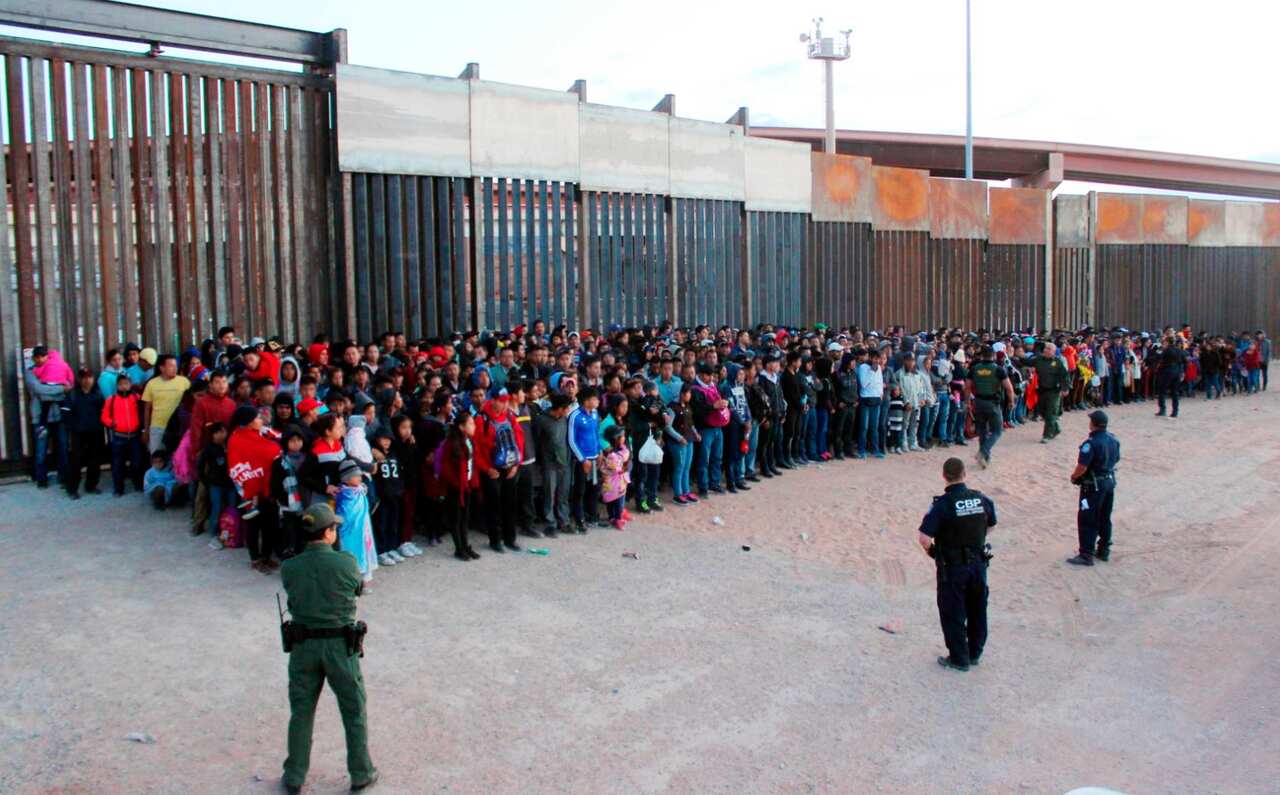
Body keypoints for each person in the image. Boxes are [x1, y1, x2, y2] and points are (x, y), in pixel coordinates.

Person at [279, 502, 379, 794]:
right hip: (339, 646)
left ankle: (295, 775)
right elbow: (355, 589)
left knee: (301, 711)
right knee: (353, 710)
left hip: (303, 646)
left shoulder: (290, 567)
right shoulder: (346, 562)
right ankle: (361, 772)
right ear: (328, 533)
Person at [917, 457, 998, 672]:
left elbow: (924, 537)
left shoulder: (942, 505)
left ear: (944, 476)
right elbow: (992, 524)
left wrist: (934, 553)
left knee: (953, 611)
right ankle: (974, 653)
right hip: (978, 563)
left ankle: (959, 658)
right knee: (977, 608)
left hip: (953, 567)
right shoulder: (981, 499)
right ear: (965, 474)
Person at [1067, 410, 1121, 567]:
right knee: (1105, 516)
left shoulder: (1090, 443)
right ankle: (1104, 549)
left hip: (1094, 485)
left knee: (1087, 518)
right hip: (1109, 481)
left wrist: (1074, 477)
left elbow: (1082, 466)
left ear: (1094, 424)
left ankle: (1086, 554)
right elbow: (1116, 458)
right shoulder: (1113, 439)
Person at [25, 345, 70, 488]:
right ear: (33, 358)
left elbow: (68, 386)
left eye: (42, 356)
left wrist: (54, 389)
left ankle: (63, 477)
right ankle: (41, 479)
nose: (40, 359)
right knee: (40, 451)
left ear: (47, 357)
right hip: (40, 418)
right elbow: (39, 389)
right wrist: (60, 388)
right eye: (37, 357)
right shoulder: (30, 372)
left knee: (63, 448)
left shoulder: (57, 368)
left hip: (58, 417)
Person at [966, 346, 1014, 469]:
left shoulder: (974, 369)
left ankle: (985, 459)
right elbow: (1008, 388)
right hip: (992, 402)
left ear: (981, 356)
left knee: (982, 430)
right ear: (993, 356)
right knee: (997, 431)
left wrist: (967, 402)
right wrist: (1011, 401)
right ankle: (983, 451)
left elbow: (967, 387)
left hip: (979, 401)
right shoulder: (998, 369)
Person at [63, 367, 105, 499]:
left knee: (95, 461)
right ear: (80, 379)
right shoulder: (73, 395)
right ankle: (72, 489)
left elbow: (104, 412)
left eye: (90, 377)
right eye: (84, 377)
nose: (88, 380)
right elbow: (66, 412)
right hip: (78, 433)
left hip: (95, 432)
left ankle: (91, 485)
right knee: (76, 461)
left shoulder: (98, 394)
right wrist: (73, 427)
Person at [101, 372, 145, 495]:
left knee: (137, 462)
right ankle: (118, 488)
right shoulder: (111, 399)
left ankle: (138, 483)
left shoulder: (137, 397)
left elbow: (142, 412)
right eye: (120, 384)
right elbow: (104, 416)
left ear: (130, 384)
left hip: (135, 436)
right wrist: (111, 423)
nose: (123, 386)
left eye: (126, 383)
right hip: (118, 437)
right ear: (117, 385)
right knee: (117, 464)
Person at [141, 354, 190, 454]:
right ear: (162, 368)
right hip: (158, 428)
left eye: (176, 366)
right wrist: (146, 430)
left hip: (178, 428)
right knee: (157, 457)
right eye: (171, 366)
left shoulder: (184, 382)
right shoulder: (151, 384)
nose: (174, 368)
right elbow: (147, 409)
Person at [1032, 342, 1068, 442]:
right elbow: (1027, 362)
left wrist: (1065, 388)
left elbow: (1065, 376)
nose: (1045, 350)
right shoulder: (1039, 360)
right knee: (1041, 410)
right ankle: (1055, 428)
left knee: (1050, 413)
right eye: (1045, 348)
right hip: (1042, 390)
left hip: (1054, 391)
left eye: (1048, 349)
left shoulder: (1057, 362)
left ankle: (1047, 435)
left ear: (1053, 351)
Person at [599, 424, 632, 529]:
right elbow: (619, 464)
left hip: (613, 482)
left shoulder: (614, 453)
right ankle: (617, 518)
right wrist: (622, 467)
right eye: (622, 436)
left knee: (613, 500)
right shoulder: (613, 455)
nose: (624, 438)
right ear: (616, 439)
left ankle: (613, 517)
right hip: (615, 483)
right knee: (617, 500)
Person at [1155, 336, 1187, 418]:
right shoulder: (1180, 351)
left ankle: (1162, 409)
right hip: (1177, 372)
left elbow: (1159, 358)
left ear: (1167, 342)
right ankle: (1175, 411)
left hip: (1167, 371)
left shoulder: (1166, 351)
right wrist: (1183, 372)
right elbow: (1185, 362)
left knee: (1162, 391)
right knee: (1175, 392)